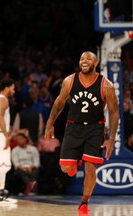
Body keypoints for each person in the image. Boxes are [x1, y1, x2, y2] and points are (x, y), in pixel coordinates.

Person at [44, 51, 119, 214]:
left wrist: (111, 138)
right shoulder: (69, 81)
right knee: (65, 168)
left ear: (95, 64)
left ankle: (84, 203)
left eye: (88, 59)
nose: (84, 61)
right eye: (81, 59)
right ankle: (74, 162)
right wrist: (50, 123)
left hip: (95, 128)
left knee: (90, 167)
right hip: (73, 127)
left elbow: (114, 113)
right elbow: (59, 103)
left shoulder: (106, 85)